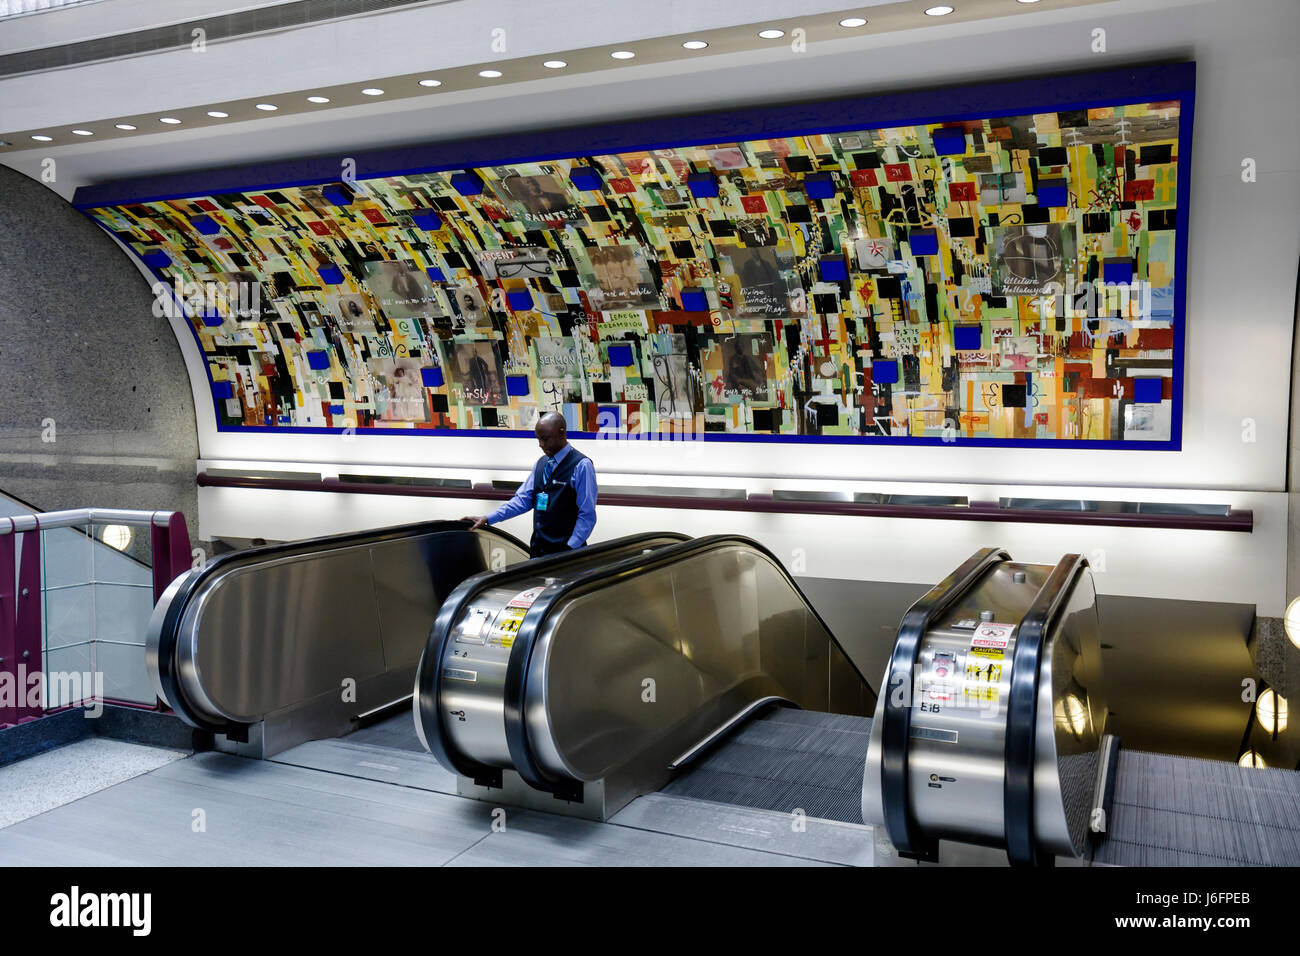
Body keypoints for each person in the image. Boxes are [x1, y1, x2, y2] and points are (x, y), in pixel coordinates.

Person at [464, 412, 597, 558]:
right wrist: (488, 518)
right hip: (539, 551)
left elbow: (587, 515)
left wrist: (570, 547)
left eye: (545, 439)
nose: (541, 445)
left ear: (562, 433)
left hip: (567, 555)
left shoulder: (582, 465)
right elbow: (522, 500)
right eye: (539, 440)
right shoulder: (541, 464)